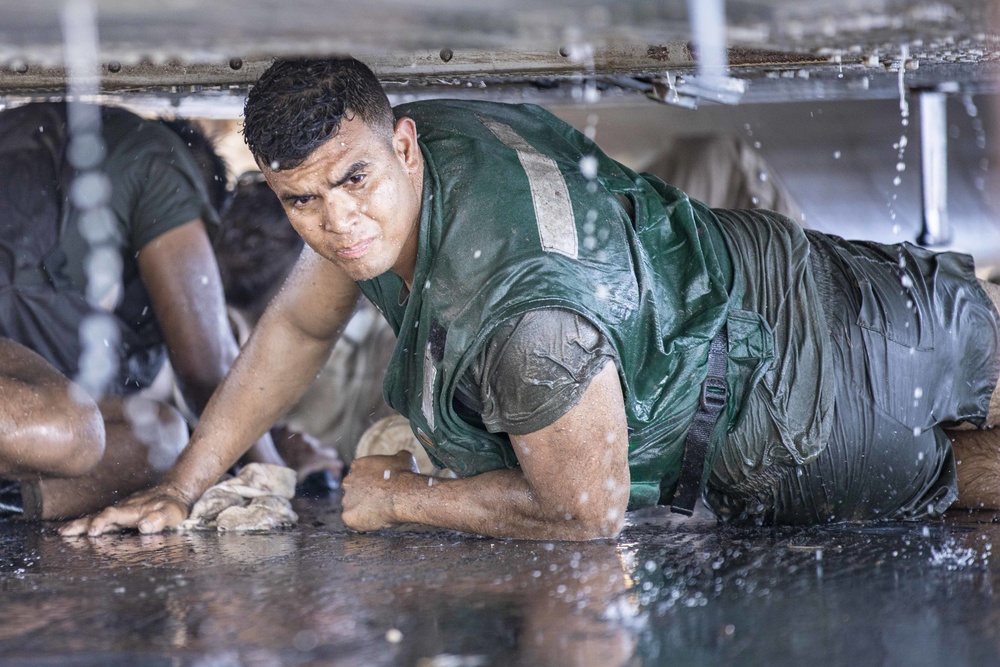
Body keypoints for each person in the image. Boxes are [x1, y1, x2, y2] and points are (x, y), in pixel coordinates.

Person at [63, 58, 1000, 541]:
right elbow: (300, 324)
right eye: (301, 198)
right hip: (803, 276)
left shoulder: (522, 313)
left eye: (350, 182)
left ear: (402, 147)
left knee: (972, 475)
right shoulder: (423, 152)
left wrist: (399, 502)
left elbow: (586, 513)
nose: (335, 222)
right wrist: (184, 487)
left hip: (799, 418)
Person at [0, 102, 283, 519]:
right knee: (68, 428)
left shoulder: (66, 148)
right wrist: (272, 476)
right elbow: (205, 371)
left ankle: (9, 506)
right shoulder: (164, 162)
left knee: (161, 437)